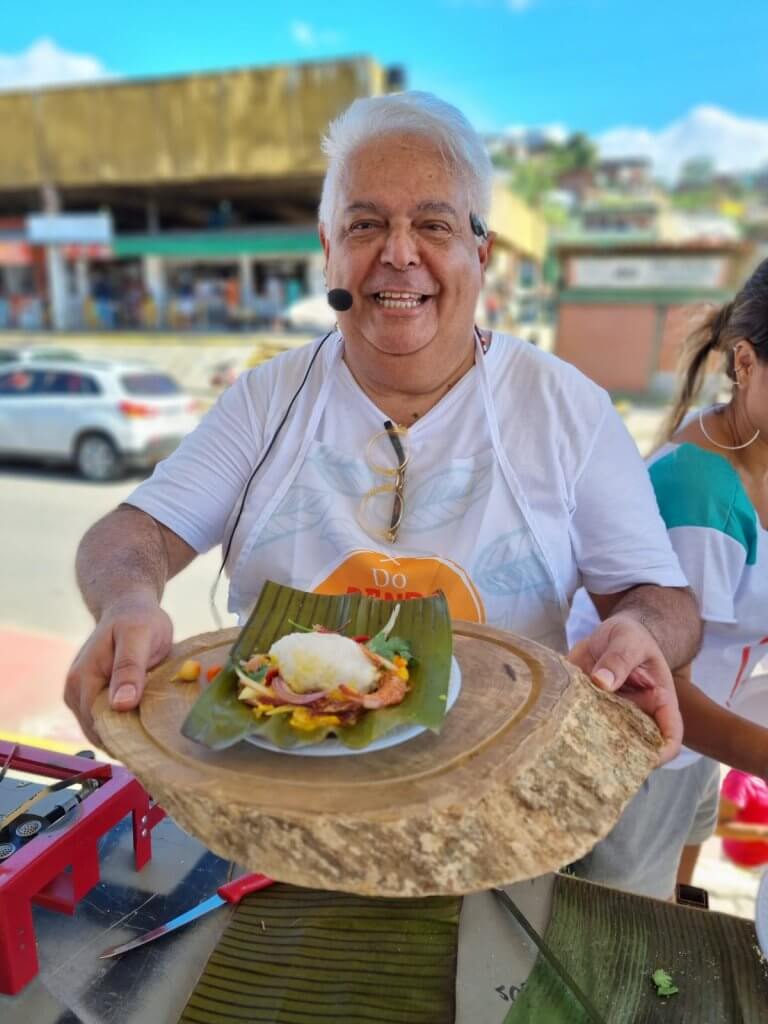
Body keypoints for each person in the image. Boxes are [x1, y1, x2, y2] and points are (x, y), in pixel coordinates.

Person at [65, 92, 700, 782]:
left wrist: (639, 633)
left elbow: (660, 599)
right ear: (329, 250)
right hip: (273, 792)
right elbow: (136, 534)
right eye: (366, 225)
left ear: (479, 250)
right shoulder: (266, 397)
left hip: (495, 797)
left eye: (434, 225)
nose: (400, 255)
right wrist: (127, 602)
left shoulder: (565, 407)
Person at [568, 257, 768, 898]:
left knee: (679, 908)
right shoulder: (700, 496)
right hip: (635, 744)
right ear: (744, 364)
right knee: (620, 931)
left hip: (704, 741)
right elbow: (658, 682)